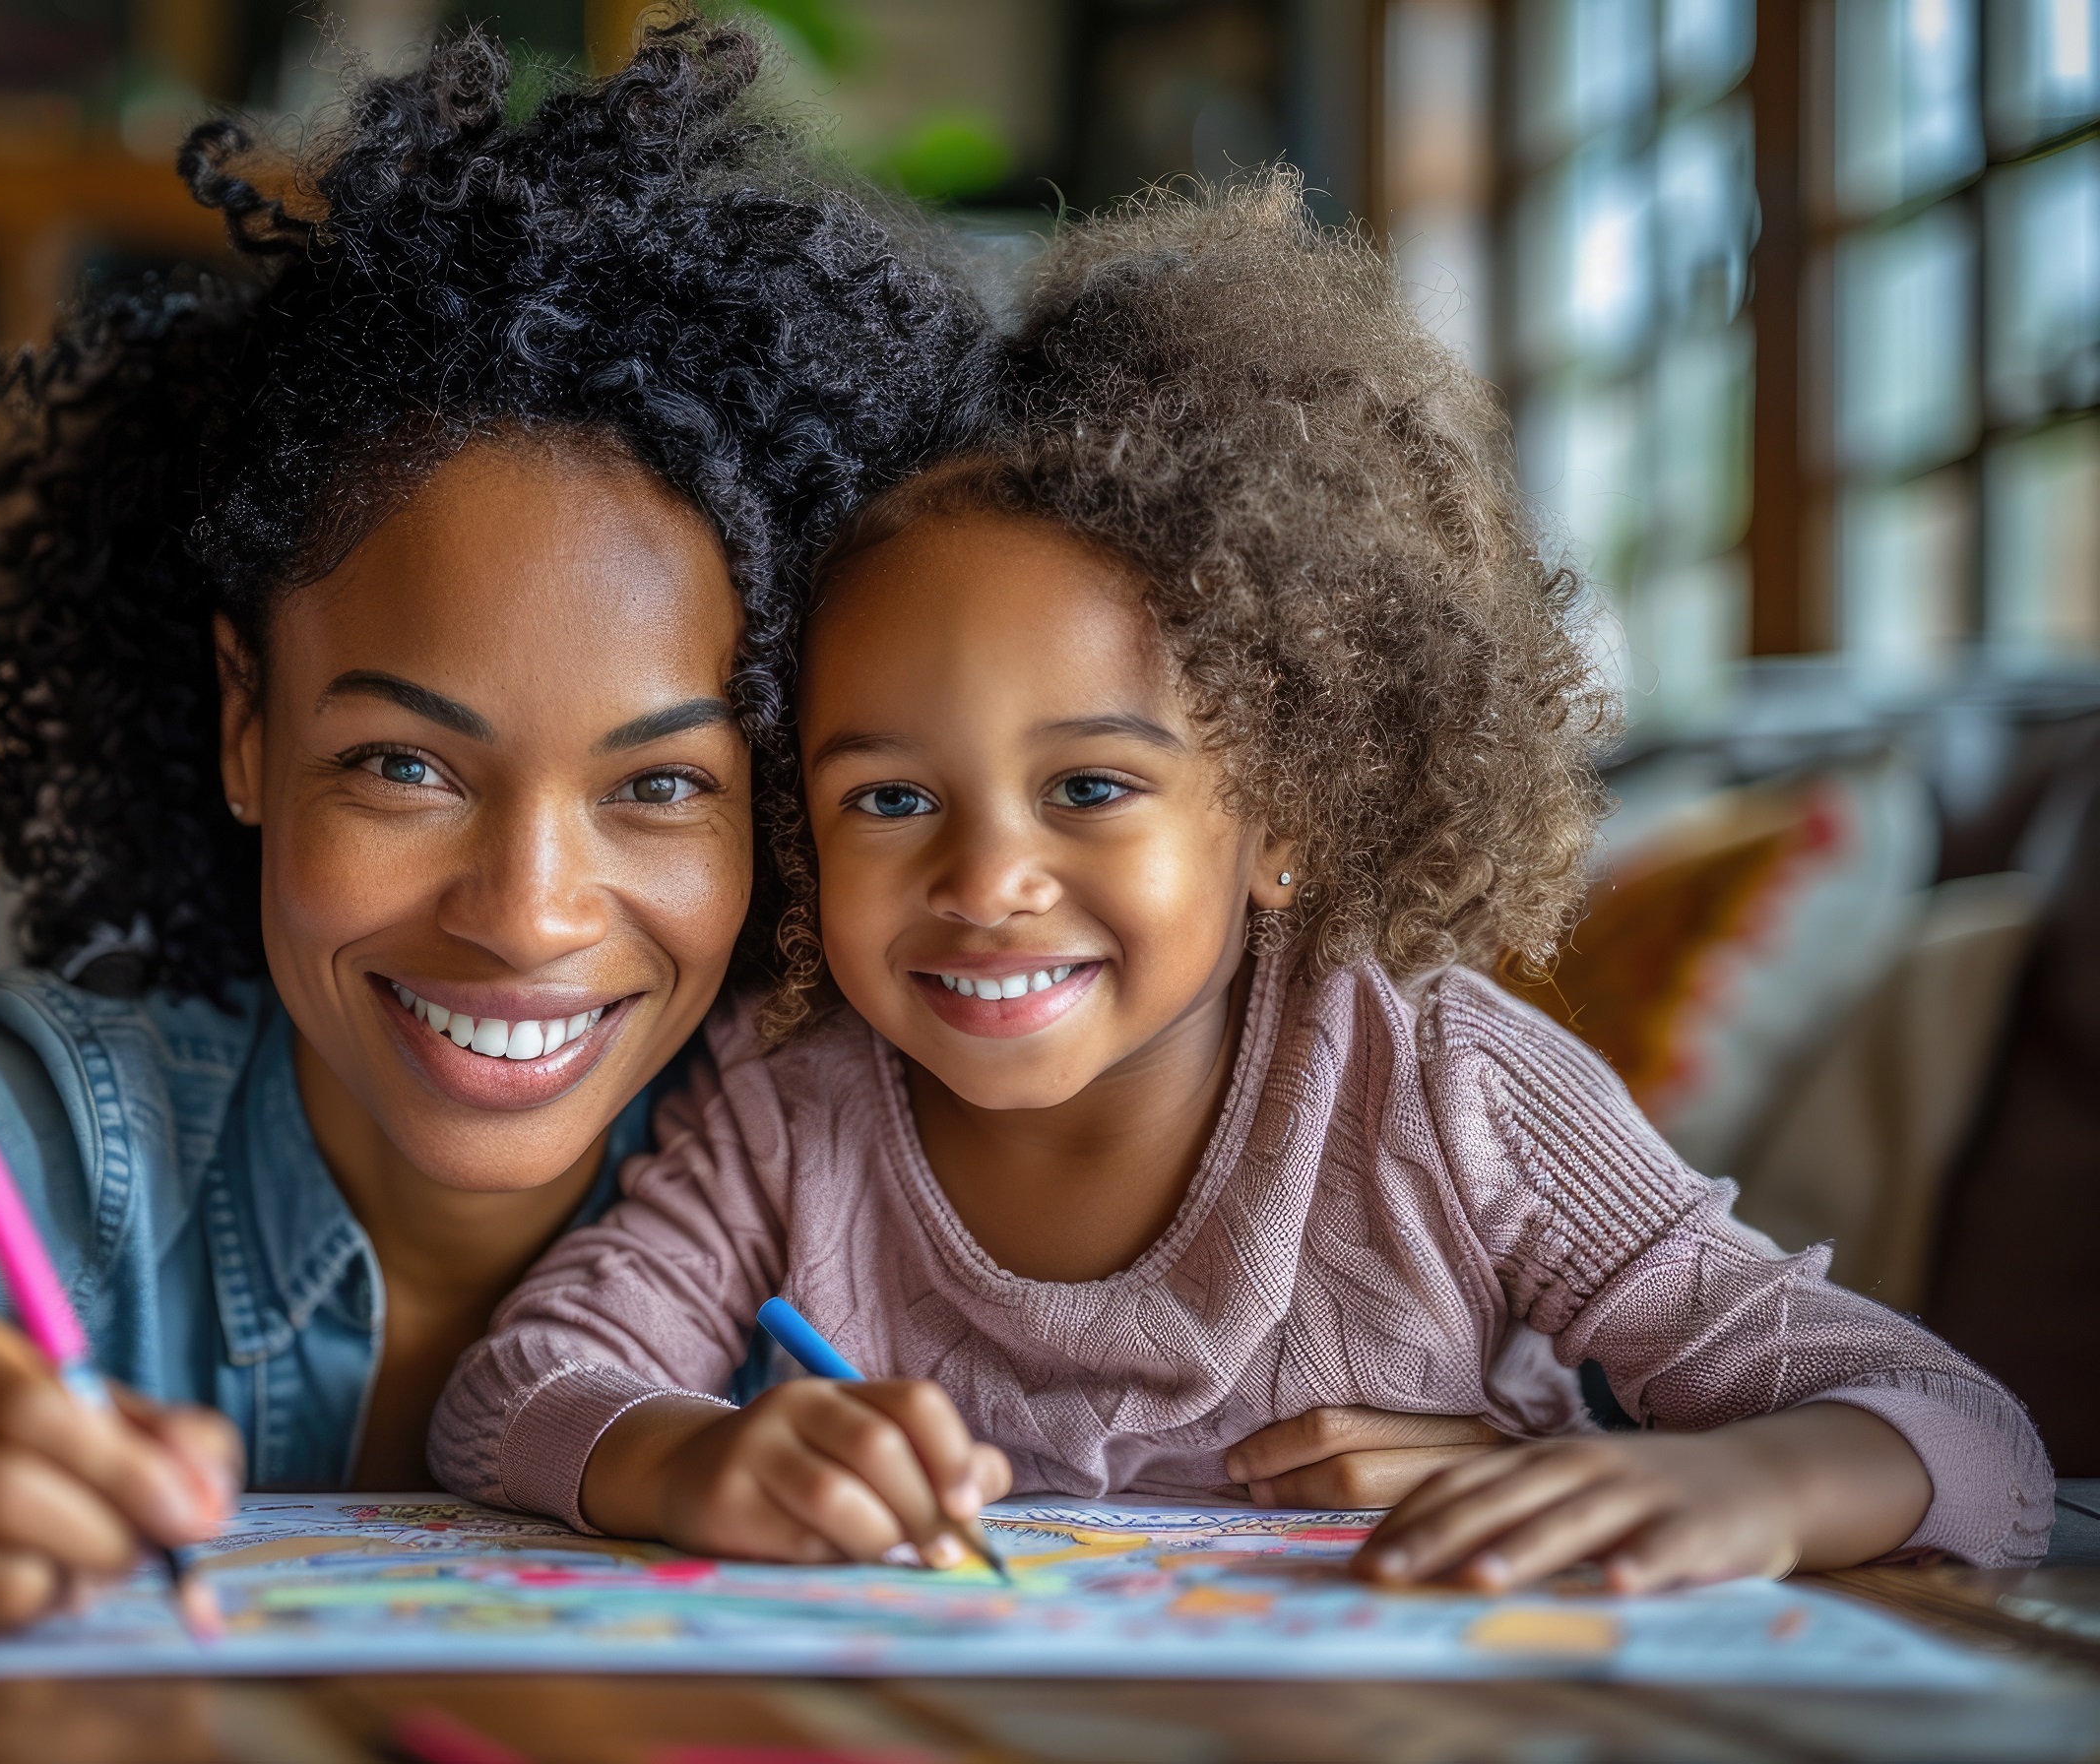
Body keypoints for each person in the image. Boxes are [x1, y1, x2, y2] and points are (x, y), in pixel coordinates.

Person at [0, 22, 992, 1636]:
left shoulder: (871, 1161)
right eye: (406, 766)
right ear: (249, 725)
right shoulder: (26, 1156)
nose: (530, 912)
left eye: (662, 785)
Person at [431, 174, 2057, 1588]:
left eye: (1090, 786)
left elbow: (1970, 1443)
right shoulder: (790, 1102)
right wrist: (690, 1459)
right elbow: (518, 1392)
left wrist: (1737, 1480)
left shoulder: (1444, 1085)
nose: (987, 877)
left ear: (1281, 807)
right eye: (890, 796)